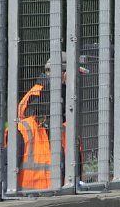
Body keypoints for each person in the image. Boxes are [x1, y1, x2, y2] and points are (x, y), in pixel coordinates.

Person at [12, 55, 88, 190]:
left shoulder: (39, 91)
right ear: (63, 73)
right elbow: (41, 124)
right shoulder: (42, 95)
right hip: (38, 165)